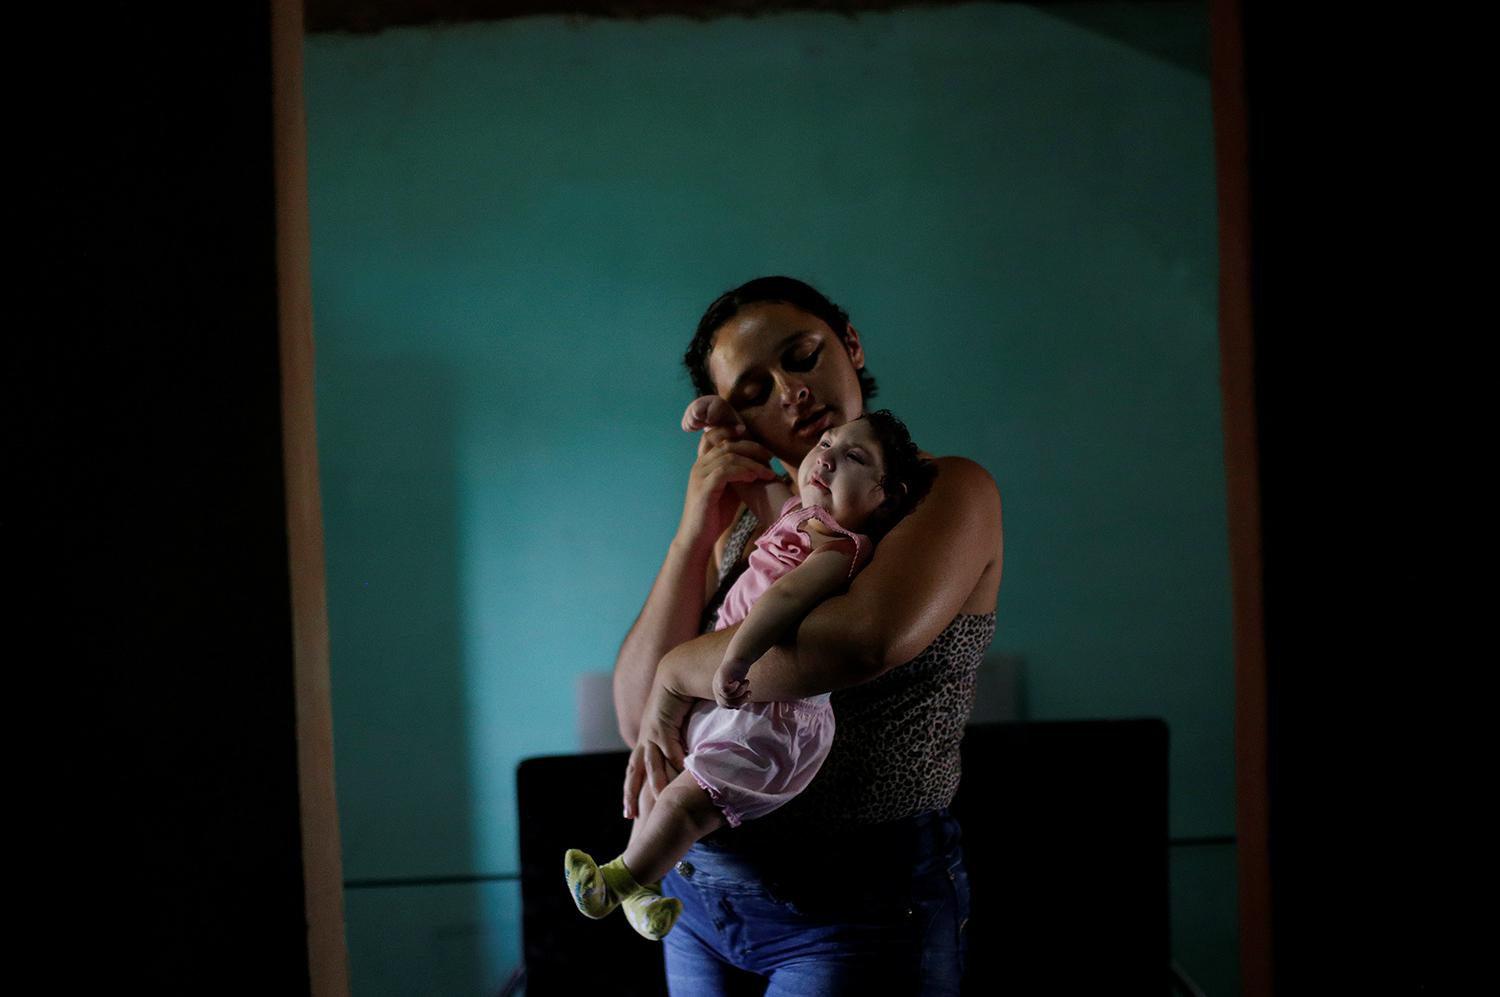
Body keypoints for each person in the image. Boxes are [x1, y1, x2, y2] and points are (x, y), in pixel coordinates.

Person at [614, 276, 1003, 995]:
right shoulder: (744, 526)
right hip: (695, 899)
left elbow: (856, 643)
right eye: (754, 391)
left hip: (859, 908)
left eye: (802, 356)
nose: (791, 392)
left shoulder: (940, 491)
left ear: (850, 344)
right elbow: (638, 719)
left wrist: (677, 672)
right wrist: (692, 531)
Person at [565, 403, 935, 942]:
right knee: (664, 769)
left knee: (685, 805)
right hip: (727, 691)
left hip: (769, 714)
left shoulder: (841, 548)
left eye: (853, 457)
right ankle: (642, 893)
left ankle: (615, 882)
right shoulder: (798, 515)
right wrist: (724, 418)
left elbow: (785, 599)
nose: (826, 459)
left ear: (886, 497)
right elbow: (757, 481)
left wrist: (736, 657)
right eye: (825, 445)